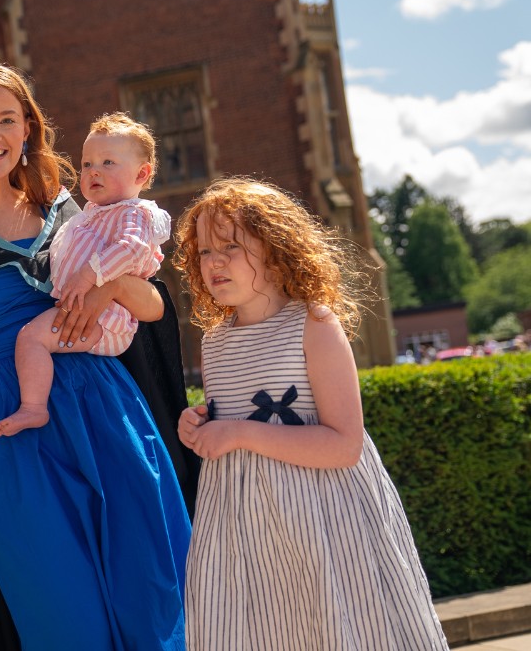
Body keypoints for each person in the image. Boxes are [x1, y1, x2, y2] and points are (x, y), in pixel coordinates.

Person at [0, 61, 193, 650]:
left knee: (155, 604)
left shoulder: (74, 213)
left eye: (7, 119)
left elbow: (151, 308)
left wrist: (106, 288)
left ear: (29, 129)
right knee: (64, 621)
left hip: (110, 418)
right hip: (11, 436)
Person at [173, 178, 449, 650]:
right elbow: (228, 422)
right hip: (245, 531)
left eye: (230, 247)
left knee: (335, 627)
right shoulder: (215, 342)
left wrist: (239, 432)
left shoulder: (313, 324)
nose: (213, 262)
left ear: (277, 250)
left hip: (321, 520)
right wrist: (197, 425)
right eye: (203, 252)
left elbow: (344, 444)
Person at [0, 113, 171, 435]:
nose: (93, 172)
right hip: (89, 313)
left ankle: (33, 408)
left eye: (107, 163)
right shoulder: (91, 215)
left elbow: (132, 249)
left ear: (141, 174)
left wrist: (91, 275)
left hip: (107, 318)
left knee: (31, 338)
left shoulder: (135, 213)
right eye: (87, 164)